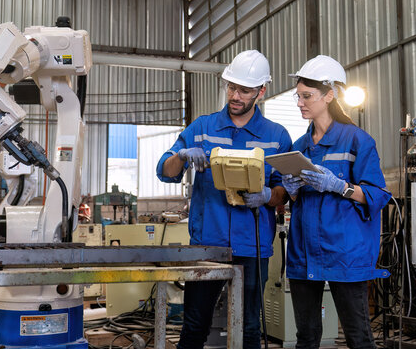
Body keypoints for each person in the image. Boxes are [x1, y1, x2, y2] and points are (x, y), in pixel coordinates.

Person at [156, 49, 292, 349]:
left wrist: (268, 196)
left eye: (245, 90)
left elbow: (286, 190)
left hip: (253, 246)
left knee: (250, 328)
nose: (235, 95)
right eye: (231, 87)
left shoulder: (277, 136)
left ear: (261, 91)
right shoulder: (202, 129)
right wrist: (181, 156)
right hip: (207, 244)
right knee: (194, 325)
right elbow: (164, 171)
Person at [280, 55, 391, 349]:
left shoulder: (357, 141)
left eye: (307, 96)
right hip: (304, 252)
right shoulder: (299, 147)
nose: (300, 102)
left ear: (329, 95)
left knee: (358, 337)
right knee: (305, 337)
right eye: (298, 96)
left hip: (345, 253)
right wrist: (291, 190)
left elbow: (377, 196)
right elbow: (299, 203)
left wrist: (338, 186)